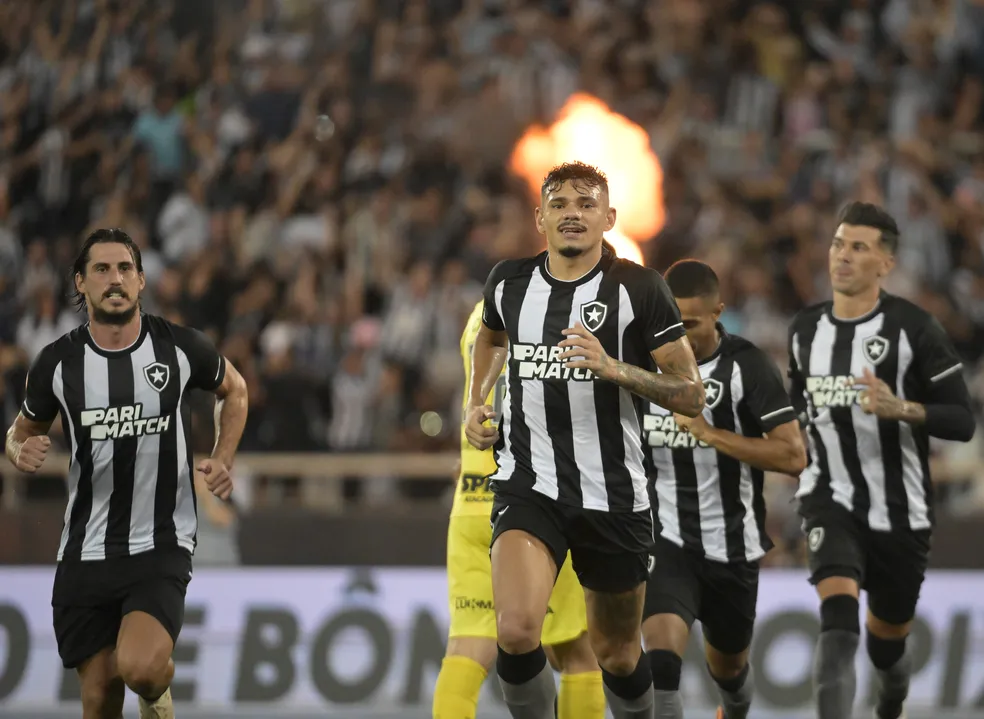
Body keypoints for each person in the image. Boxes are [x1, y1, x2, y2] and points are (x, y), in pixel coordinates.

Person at [465, 161, 706, 719]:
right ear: (540, 218)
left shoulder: (640, 289)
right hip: (529, 483)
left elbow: (692, 394)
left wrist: (615, 369)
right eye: (560, 204)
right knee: (518, 630)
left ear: (609, 218)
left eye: (586, 203)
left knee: (617, 655)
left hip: (614, 495)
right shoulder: (509, 281)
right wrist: (476, 400)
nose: (572, 212)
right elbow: (492, 339)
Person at [5, 228, 249, 719]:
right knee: (97, 699)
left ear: (140, 281)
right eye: (101, 269)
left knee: (140, 668)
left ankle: (157, 697)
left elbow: (236, 391)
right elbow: (20, 431)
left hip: (160, 541)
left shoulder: (179, 349)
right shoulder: (56, 363)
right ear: (81, 282)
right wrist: (17, 450)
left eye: (124, 269)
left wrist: (223, 458)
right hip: (84, 549)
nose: (114, 279)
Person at [787, 201, 976, 719]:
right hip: (829, 498)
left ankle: (891, 700)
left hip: (900, 510)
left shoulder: (914, 329)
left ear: (885, 263)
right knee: (838, 623)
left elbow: (962, 421)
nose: (842, 256)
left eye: (859, 248)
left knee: (887, 648)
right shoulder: (804, 330)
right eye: (838, 243)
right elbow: (798, 409)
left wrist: (902, 408)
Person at [639, 260, 807, 719]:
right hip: (665, 539)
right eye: (673, 322)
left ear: (719, 313)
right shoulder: (643, 366)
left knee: (729, 672)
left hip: (733, 546)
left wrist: (713, 435)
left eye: (690, 324)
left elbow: (793, 455)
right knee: (661, 663)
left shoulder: (747, 367)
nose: (680, 334)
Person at [433, 299, 606, 719]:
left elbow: (475, 397)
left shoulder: (477, 315)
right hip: (537, 504)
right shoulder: (564, 313)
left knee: (468, 646)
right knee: (577, 651)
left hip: (472, 499)